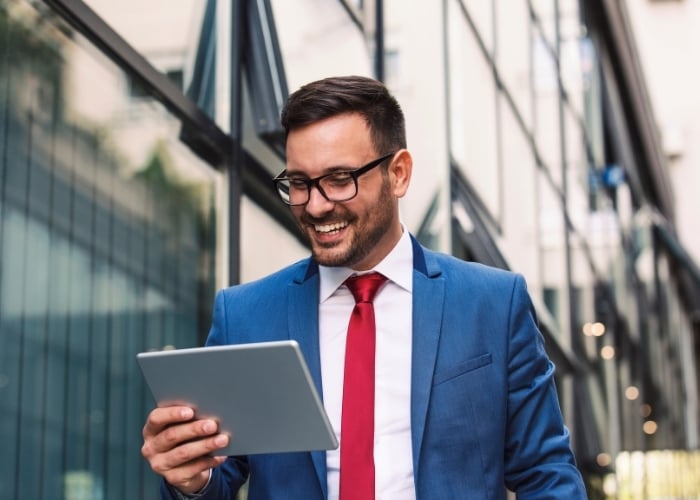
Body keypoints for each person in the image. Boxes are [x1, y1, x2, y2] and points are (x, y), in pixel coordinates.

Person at [141, 75, 587, 499]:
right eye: (299, 183)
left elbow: (545, 472)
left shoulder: (491, 303)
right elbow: (218, 478)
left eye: (339, 179)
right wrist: (191, 480)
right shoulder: (245, 315)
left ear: (398, 173)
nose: (315, 206)